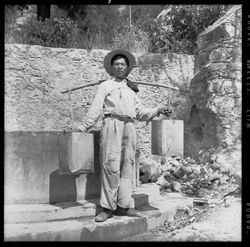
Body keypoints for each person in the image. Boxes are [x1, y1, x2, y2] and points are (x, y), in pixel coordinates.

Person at [76, 49, 172, 222]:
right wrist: (83, 127)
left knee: (128, 165)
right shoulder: (105, 86)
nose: (120, 67)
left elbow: (140, 112)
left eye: (123, 64)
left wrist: (157, 109)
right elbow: (96, 108)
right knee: (110, 165)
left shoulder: (131, 89)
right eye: (117, 64)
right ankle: (107, 208)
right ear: (111, 68)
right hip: (112, 124)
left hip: (129, 126)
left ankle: (123, 206)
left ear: (127, 68)